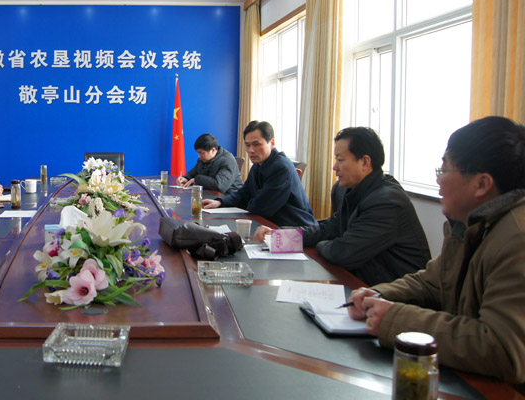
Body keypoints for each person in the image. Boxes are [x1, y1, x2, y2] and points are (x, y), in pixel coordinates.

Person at [347, 117, 525, 383]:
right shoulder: (469, 224)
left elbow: (502, 348)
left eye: (444, 170)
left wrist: (394, 319)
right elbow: (433, 282)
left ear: (482, 184)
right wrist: (380, 294)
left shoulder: (516, 239)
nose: (438, 181)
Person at [256, 127, 431, 286]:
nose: (334, 167)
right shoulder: (352, 190)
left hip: (395, 296)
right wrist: (279, 236)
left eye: (340, 160)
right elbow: (328, 229)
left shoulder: (387, 202)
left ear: (365, 162)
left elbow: (343, 253)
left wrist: (321, 245)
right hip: (363, 285)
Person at [201, 121, 316, 226]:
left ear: (272, 143)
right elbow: (244, 193)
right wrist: (220, 202)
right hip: (268, 224)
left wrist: (249, 202)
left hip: (294, 230)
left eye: (256, 144)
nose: (251, 150)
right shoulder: (257, 165)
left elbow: (262, 207)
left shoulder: (281, 168)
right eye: (247, 145)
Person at [177, 133, 244, 195]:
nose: (199, 156)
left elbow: (219, 186)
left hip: (231, 197)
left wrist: (196, 180)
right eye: (198, 153)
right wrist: (185, 178)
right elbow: (194, 172)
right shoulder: (203, 159)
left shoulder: (227, 160)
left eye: (202, 153)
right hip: (212, 195)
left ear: (213, 150)